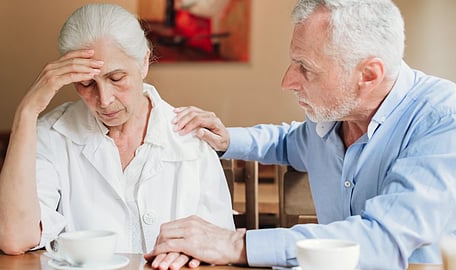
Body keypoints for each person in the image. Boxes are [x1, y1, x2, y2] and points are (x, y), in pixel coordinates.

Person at [145, 0, 456, 269]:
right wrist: (227, 139)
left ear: (369, 75)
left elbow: (384, 240)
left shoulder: (443, 119)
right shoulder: (335, 119)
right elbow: (287, 142)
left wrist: (237, 243)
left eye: (305, 68)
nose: (288, 81)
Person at [0, 3, 234, 257]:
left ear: (144, 62)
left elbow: (222, 247)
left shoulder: (191, 137)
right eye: (86, 83)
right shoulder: (51, 135)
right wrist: (27, 112)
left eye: (116, 78)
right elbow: (15, 238)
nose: (104, 100)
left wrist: (198, 254)